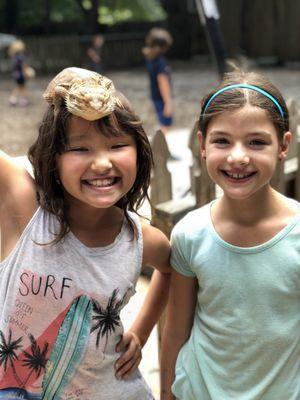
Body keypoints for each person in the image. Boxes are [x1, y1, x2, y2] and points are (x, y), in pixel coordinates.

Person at [0, 67, 171, 399]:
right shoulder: (25, 211)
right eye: (80, 149)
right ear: (53, 158)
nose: (102, 163)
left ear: (139, 151)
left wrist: (141, 331)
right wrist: (69, 89)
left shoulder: (140, 241)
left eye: (118, 145)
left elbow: (171, 269)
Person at [160, 70, 300, 399]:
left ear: (283, 145)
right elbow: (177, 329)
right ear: (202, 144)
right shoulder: (190, 234)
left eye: (256, 141)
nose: (238, 156)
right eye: (222, 140)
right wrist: (167, 394)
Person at [142, 28, 173, 134]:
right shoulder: (160, 61)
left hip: (155, 96)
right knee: (165, 124)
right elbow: (162, 81)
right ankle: (161, 148)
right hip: (161, 98)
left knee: (161, 123)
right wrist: (168, 102)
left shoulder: (151, 59)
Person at [8, 39, 32, 107]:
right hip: (21, 74)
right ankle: (23, 100)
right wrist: (26, 73)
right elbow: (23, 66)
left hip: (15, 74)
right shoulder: (21, 56)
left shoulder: (13, 56)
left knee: (18, 86)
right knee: (22, 87)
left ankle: (13, 99)